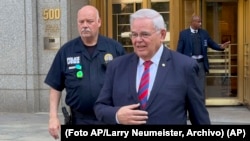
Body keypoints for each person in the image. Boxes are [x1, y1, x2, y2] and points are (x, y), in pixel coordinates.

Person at [94, 9, 210, 125]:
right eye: (134, 34)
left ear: (162, 35)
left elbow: (200, 118)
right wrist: (117, 115)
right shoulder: (116, 66)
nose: (138, 40)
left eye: (145, 34)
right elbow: (100, 107)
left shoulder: (185, 67)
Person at [44, 5, 126, 139]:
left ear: (99, 22)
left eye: (89, 21)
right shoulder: (66, 51)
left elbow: (127, 83)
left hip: (109, 119)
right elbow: (55, 86)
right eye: (81, 22)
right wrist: (53, 117)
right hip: (78, 120)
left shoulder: (115, 48)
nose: (85, 25)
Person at [176, 15, 230, 94]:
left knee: (201, 87)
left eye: (200, 22)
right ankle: (191, 105)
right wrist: (178, 64)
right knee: (190, 85)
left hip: (201, 63)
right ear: (193, 22)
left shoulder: (204, 33)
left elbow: (211, 43)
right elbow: (179, 50)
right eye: (198, 22)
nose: (200, 24)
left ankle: (201, 105)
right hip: (189, 63)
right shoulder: (184, 34)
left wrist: (221, 47)